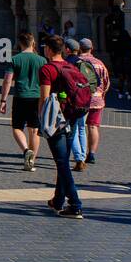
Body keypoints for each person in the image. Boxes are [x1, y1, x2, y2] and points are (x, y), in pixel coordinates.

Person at [37, 35, 84, 219]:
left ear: (48, 49)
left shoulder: (47, 69)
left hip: (56, 120)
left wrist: (41, 120)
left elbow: (44, 97)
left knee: (62, 162)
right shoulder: (70, 66)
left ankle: (75, 204)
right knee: (62, 159)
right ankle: (58, 200)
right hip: (71, 117)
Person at [0, 32, 45, 171]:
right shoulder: (42, 60)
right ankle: (31, 162)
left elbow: (7, 81)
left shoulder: (15, 59)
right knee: (35, 130)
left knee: (17, 127)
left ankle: (25, 150)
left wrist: (3, 100)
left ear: (20, 43)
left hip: (20, 96)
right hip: (37, 97)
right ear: (33, 42)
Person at [73, 38, 108, 168]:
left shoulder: (77, 62)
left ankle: (79, 154)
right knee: (92, 127)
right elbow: (106, 82)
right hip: (97, 99)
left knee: (78, 127)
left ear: (79, 49)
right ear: (91, 48)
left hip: (82, 99)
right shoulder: (100, 63)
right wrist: (101, 94)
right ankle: (91, 154)